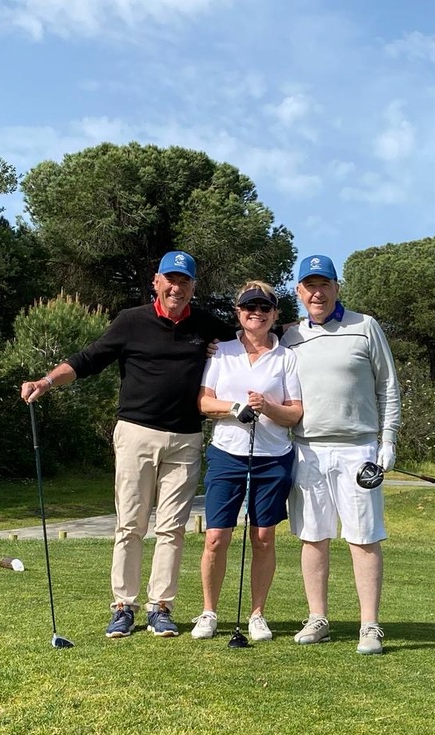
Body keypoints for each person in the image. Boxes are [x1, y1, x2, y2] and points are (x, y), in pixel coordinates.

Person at [20, 251, 233, 639]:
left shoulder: (208, 326)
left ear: (193, 287)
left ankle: (160, 607)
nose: (177, 287)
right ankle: (123, 606)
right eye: (170, 279)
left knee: (172, 528)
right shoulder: (131, 321)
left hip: (186, 438)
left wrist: (292, 331)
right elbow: (87, 359)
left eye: (184, 281)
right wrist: (46, 382)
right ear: (156, 281)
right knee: (131, 524)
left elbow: (254, 339)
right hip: (136, 433)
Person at [280, 254, 401, 655]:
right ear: (299, 291)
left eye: (324, 285)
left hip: (358, 448)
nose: (317, 293)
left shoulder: (365, 327)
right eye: (309, 286)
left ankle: (370, 625)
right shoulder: (290, 336)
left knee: (364, 537)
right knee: (313, 536)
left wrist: (388, 441)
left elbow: (388, 387)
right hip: (308, 448)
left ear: (336, 288)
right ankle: (318, 619)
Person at [191, 282, 303, 642]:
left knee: (263, 537)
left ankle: (257, 614)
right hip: (227, 454)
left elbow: (295, 413)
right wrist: (234, 407)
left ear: (275, 314)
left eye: (264, 308)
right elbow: (204, 403)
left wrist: (267, 407)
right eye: (249, 307)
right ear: (238, 312)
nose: (257, 313)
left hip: (273, 458)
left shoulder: (286, 357)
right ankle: (209, 612)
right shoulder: (221, 351)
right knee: (216, 537)